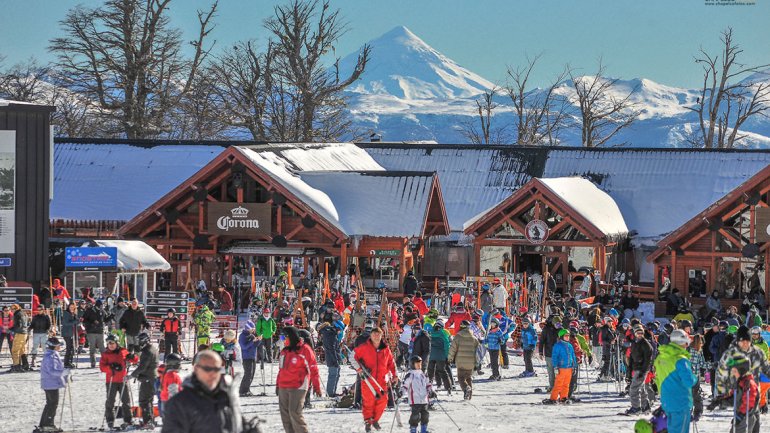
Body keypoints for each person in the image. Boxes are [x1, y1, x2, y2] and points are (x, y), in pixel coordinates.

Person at [162, 350, 256, 433]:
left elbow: (236, 426)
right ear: (196, 369)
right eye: (208, 369)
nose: (213, 374)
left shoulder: (226, 396)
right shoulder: (180, 402)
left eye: (217, 369)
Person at [276, 326, 321, 433]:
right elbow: (281, 369)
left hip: (298, 386)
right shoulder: (284, 351)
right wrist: (278, 385)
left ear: (290, 337)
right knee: (285, 416)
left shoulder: (304, 349)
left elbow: (313, 368)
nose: (282, 340)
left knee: (294, 412)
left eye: (284, 338)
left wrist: (316, 386)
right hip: (284, 386)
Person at [353, 327, 397, 432]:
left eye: (378, 335)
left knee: (383, 401)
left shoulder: (386, 349)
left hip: (382, 380)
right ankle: (368, 422)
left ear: (381, 336)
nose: (376, 337)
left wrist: (395, 375)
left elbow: (391, 362)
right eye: (374, 335)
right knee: (368, 402)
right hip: (368, 379)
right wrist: (359, 369)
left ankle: (375, 420)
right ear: (371, 336)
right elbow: (352, 357)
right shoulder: (364, 347)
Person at [654, 329, 696, 433]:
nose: (687, 345)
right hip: (681, 402)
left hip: (666, 401)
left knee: (672, 429)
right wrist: (695, 377)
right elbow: (689, 381)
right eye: (686, 342)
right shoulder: (681, 359)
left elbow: (658, 379)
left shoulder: (660, 357)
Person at [99, 334, 137, 429]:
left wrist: (132, 357)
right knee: (110, 401)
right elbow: (102, 367)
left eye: (112, 343)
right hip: (111, 380)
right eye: (108, 343)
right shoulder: (105, 354)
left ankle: (128, 419)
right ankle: (110, 420)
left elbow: (135, 360)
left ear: (117, 343)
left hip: (122, 380)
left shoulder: (123, 351)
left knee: (126, 401)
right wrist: (110, 367)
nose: (110, 345)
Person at [36, 337, 69, 433]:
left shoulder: (53, 355)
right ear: (53, 346)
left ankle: (44, 424)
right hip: (51, 384)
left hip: (51, 383)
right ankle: (48, 424)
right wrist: (64, 372)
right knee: (53, 404)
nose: (59, 347)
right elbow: (52, 371)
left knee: (50, 403)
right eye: (58, 345)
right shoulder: (50, 357)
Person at [130, 332, 159, 428]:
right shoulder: (152, 348)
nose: (139, 343)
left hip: (148, 378)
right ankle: (150, 420)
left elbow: (143, 367)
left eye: (140, 341)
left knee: (144, 401)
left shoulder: (147, 351)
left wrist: (132, 375)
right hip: (151, 377)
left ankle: (148, 421)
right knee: (148, 400)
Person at [726, 355, 760, 433]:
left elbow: (750, 402)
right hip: (740, 417)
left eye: (734, 371)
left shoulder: (749, 384)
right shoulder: (740, 382)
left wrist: (741, 415)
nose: (733, 374)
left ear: (742, 371)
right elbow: (734, 395)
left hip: (745, 417)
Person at [625, 325, 654, 415]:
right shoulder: (635, 343)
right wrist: (629, 371)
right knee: (641, 387)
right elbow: (632, 358)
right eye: (638, 333)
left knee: (633, 388)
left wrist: (643, 371)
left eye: (641, 333)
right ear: (635, 333)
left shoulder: (646, 344)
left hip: (641, 369)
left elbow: (648, 360)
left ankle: (636, 407)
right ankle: (645, 407)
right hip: (636, 367)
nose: (640, 334)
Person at [448, 320, 480, 400]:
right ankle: (469, 396)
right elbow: (478, 352)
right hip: (471, 362)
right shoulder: (474, 338)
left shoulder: (458, 336)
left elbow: (452, 349)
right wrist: (477, 363)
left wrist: (450, 358)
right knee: (468, 377)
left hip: (461, 362)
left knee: (461, 378)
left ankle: (466, 389)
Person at [544, 329, 577, 404]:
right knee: (558, 384)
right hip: (561, 368)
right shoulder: (558, 345)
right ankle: (553, 398)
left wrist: (574, 366)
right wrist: (555, 367)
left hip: (569, 368)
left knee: (566, 384)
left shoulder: (570, 345)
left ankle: (563, 397)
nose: (568, 337)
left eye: (568, 336)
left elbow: (573, 356)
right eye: (566, 336)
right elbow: (554, 357)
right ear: (561, 336)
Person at [401, 355, 433, 433]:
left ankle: (423, 430)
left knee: (425, 415)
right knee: (415, 416)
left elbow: (428, 384)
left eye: (420, 364)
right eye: (417, 364)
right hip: (414, 400)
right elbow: (405, 385)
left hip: (424, 400)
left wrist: (431, 391)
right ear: (412, 364)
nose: (419, 365)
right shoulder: (410, 375)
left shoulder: (423, 375)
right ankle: (413, 430)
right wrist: (401, 392)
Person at [318, 315, 342, 397]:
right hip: (332, 358)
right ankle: (330, 393)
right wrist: (335, 360)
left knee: (336, 374)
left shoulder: (329, 334)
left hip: (332, 357)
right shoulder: (330, 334)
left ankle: (332, 391)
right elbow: (332, 349)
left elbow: (335, 347)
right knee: (333, 374)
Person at [748, 326, 770, 413]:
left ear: (759, 334)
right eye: (753, 334)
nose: (755, 336)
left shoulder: (763, 344)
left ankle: (763, 404)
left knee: (764, 386)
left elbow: (766, 355)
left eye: (756, 334)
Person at [82, 299, 107, 368]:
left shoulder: (102, 311)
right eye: (100, 306)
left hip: (100, 331)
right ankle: (93, 362)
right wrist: (92, 323)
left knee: (102, 348)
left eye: (102, 306)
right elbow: (84, 319)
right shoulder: (90, 310)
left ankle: (105, 362)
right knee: (92, 348)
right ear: (96, 305)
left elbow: (105, 319)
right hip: (91, 331)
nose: (101, 307)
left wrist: (111, 317)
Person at [688, 334, 707, 421]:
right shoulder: (694, 351)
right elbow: (702, 364)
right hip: (692, 376)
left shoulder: (693, 350)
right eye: (701, 342)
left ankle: (692, 412)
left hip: (691, 375)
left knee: (692, 393)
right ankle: (695, 412)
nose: (702, 344)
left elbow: (702, 364)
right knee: (694, 394)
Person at [239, 320, 259, 397]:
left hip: (253, 356)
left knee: (251, 375)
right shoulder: (242, 336)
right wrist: (252, 341)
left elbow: (255, 345)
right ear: (247, 328)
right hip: (246, 358)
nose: (253, 330)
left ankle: (247, 389)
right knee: (247, 374)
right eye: (252, 329)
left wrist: (259, 340)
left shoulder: (252, 335)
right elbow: (244, 347)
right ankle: (242, 390)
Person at [159, 353, 183, 418]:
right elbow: (173, 393)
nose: (180, 366)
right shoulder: (173, 376)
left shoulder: (166, 374)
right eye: (179, 364)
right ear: (174, 365)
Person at [10, 304, 30, 372]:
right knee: (22, 350)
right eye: (11, 309)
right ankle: (25, 365)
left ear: (16, 308)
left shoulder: (17, 314)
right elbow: (28, 323)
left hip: (19, 333)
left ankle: (16, 366)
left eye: (13, 309)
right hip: (25, 333)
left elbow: (19, 325)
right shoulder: (24, 313)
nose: (12, 310)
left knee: (15, 350)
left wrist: (11, 329)